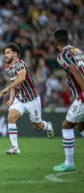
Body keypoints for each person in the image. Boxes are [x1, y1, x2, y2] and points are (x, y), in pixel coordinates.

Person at [0, 42, 54, 154]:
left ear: (15, 54)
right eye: (5, 53)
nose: (5, 55)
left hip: (31, 99)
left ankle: (47, 126)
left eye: (8, 53)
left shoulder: (21, 64)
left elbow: (21, 78)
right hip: (19, 99)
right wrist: (11, 98)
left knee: (37, 126)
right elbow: (14, 85)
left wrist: (6, 88)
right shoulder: (8, 70)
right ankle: (15, 147)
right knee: (10, 118)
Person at [52, 29, 84, 172]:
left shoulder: (62, 54)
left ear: (55, 42)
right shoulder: (77, 51)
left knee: (66, 125)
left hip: (82, 96)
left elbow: (75, 72)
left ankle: (69, 163)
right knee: (81, 125)